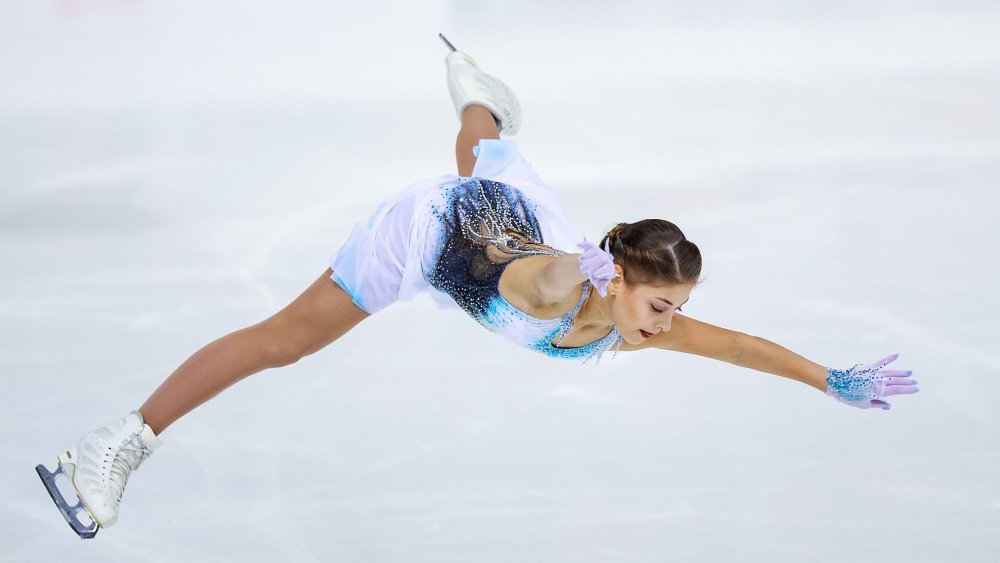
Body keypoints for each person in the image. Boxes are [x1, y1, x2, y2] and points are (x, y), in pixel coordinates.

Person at [35, 35, 920, 539]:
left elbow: (738, 346)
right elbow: (548, 280)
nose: (670, 325)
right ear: (615, 281)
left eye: (676, 310)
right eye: (661, 305)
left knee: (486, 152)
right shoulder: (557, 287)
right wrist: (583, 269)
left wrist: (826, 377)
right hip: (430, 236)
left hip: (511, 208)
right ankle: (118, 440)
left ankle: (477, 94)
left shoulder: (637, 320)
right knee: (284, 340)